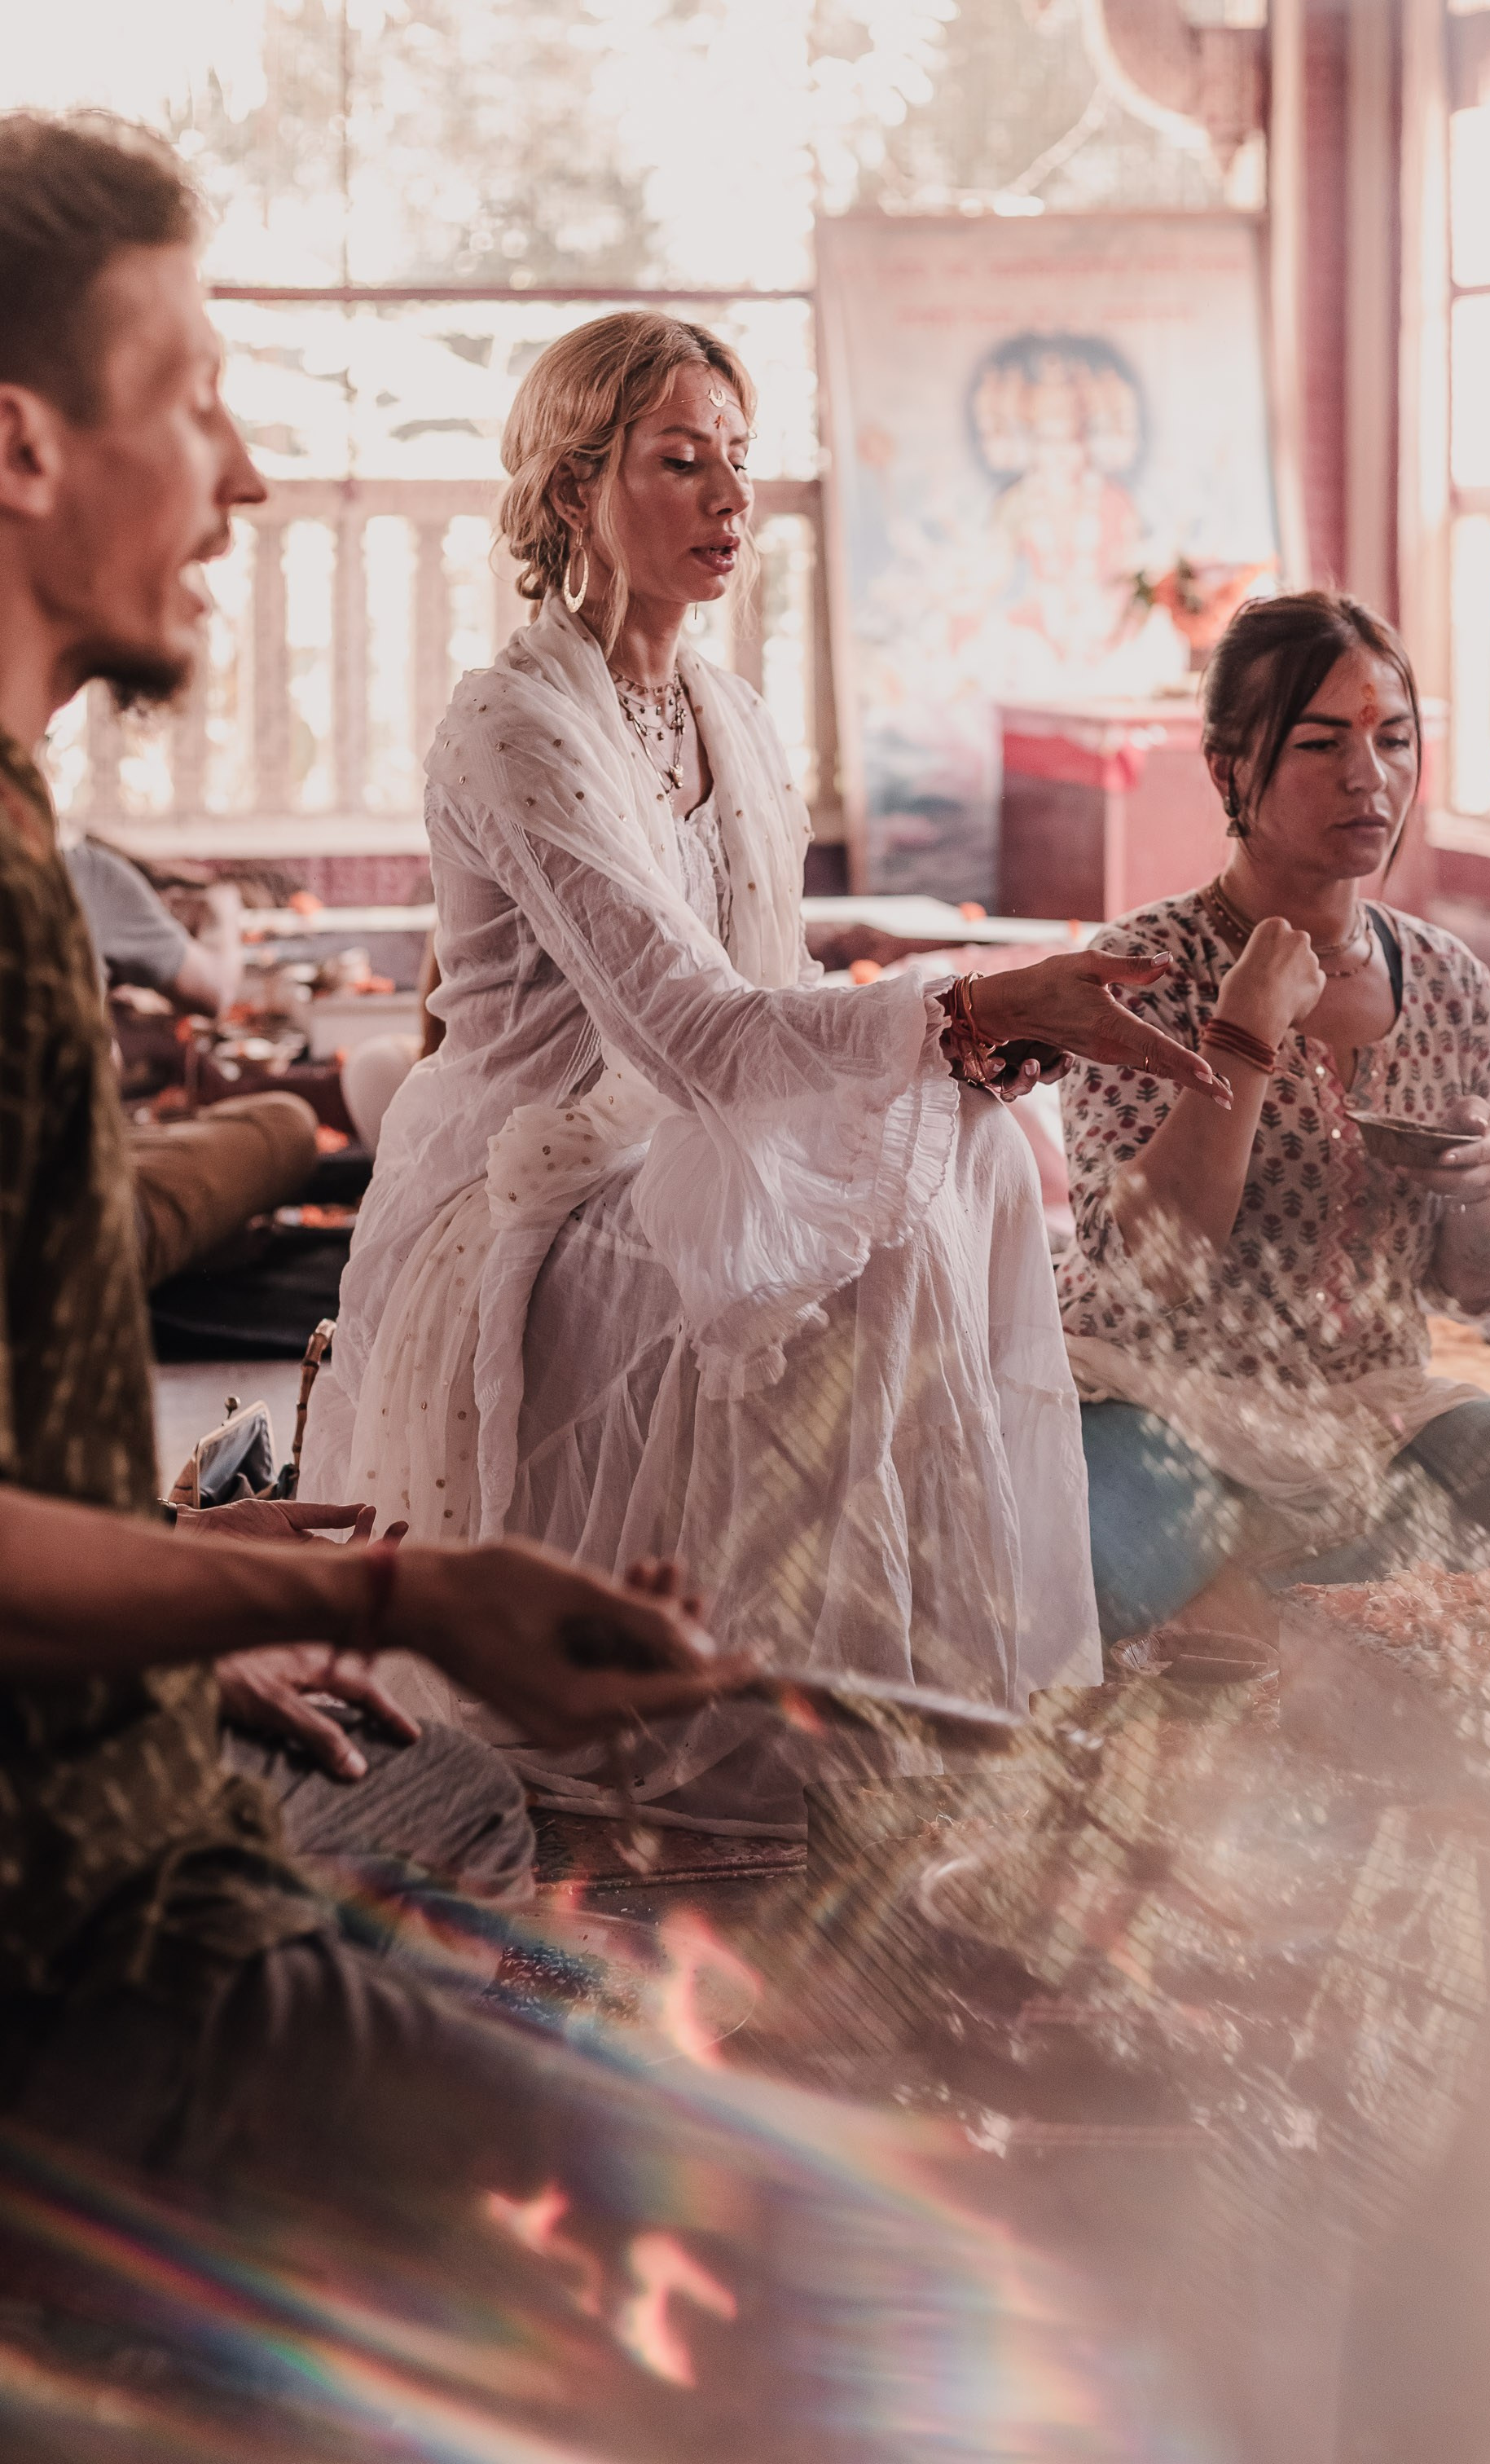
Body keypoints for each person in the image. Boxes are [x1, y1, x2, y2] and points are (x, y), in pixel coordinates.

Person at [0, 107, 755, 2211]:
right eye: (196, 399)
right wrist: (384, 1579)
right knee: (717, 2218)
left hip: (118, 1803)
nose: (243, 478)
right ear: (21, 448)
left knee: (461, 1803)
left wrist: (188, 1578)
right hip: (78, 1932)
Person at [302, 309, 1233, 1835]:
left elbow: (777, 992)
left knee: (966, 1164)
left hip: (695, 1124)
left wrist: (976, 1044)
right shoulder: (513, 722)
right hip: (527, 1179)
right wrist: (964, 1001)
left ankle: (895, 1681)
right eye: (681, 462)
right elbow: (695, 1033)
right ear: (568, 494)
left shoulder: (726, 711)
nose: (732, 500)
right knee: (833, 1256)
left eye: (738, 459)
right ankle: (785, 1701)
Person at [1057, 588, 1490, 1642]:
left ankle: (1301, 1588)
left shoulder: (1449, 982)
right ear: (1230, 770)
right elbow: (1141, 1262)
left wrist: (1489, 1191)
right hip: (1161, 1407)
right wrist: (1239, 1031)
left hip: (1373, 1421)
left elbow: (1476, 1288)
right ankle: (1302, 1590)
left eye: (1395, 739)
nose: (1370, 776)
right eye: (1322, 743)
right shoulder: (1141, 969)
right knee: (1079, 1589)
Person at [64, 830, 321, 1282]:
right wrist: (222, 911)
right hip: (68, 1234)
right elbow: (216, 990)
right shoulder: (78, 871)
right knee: (288, 1122)